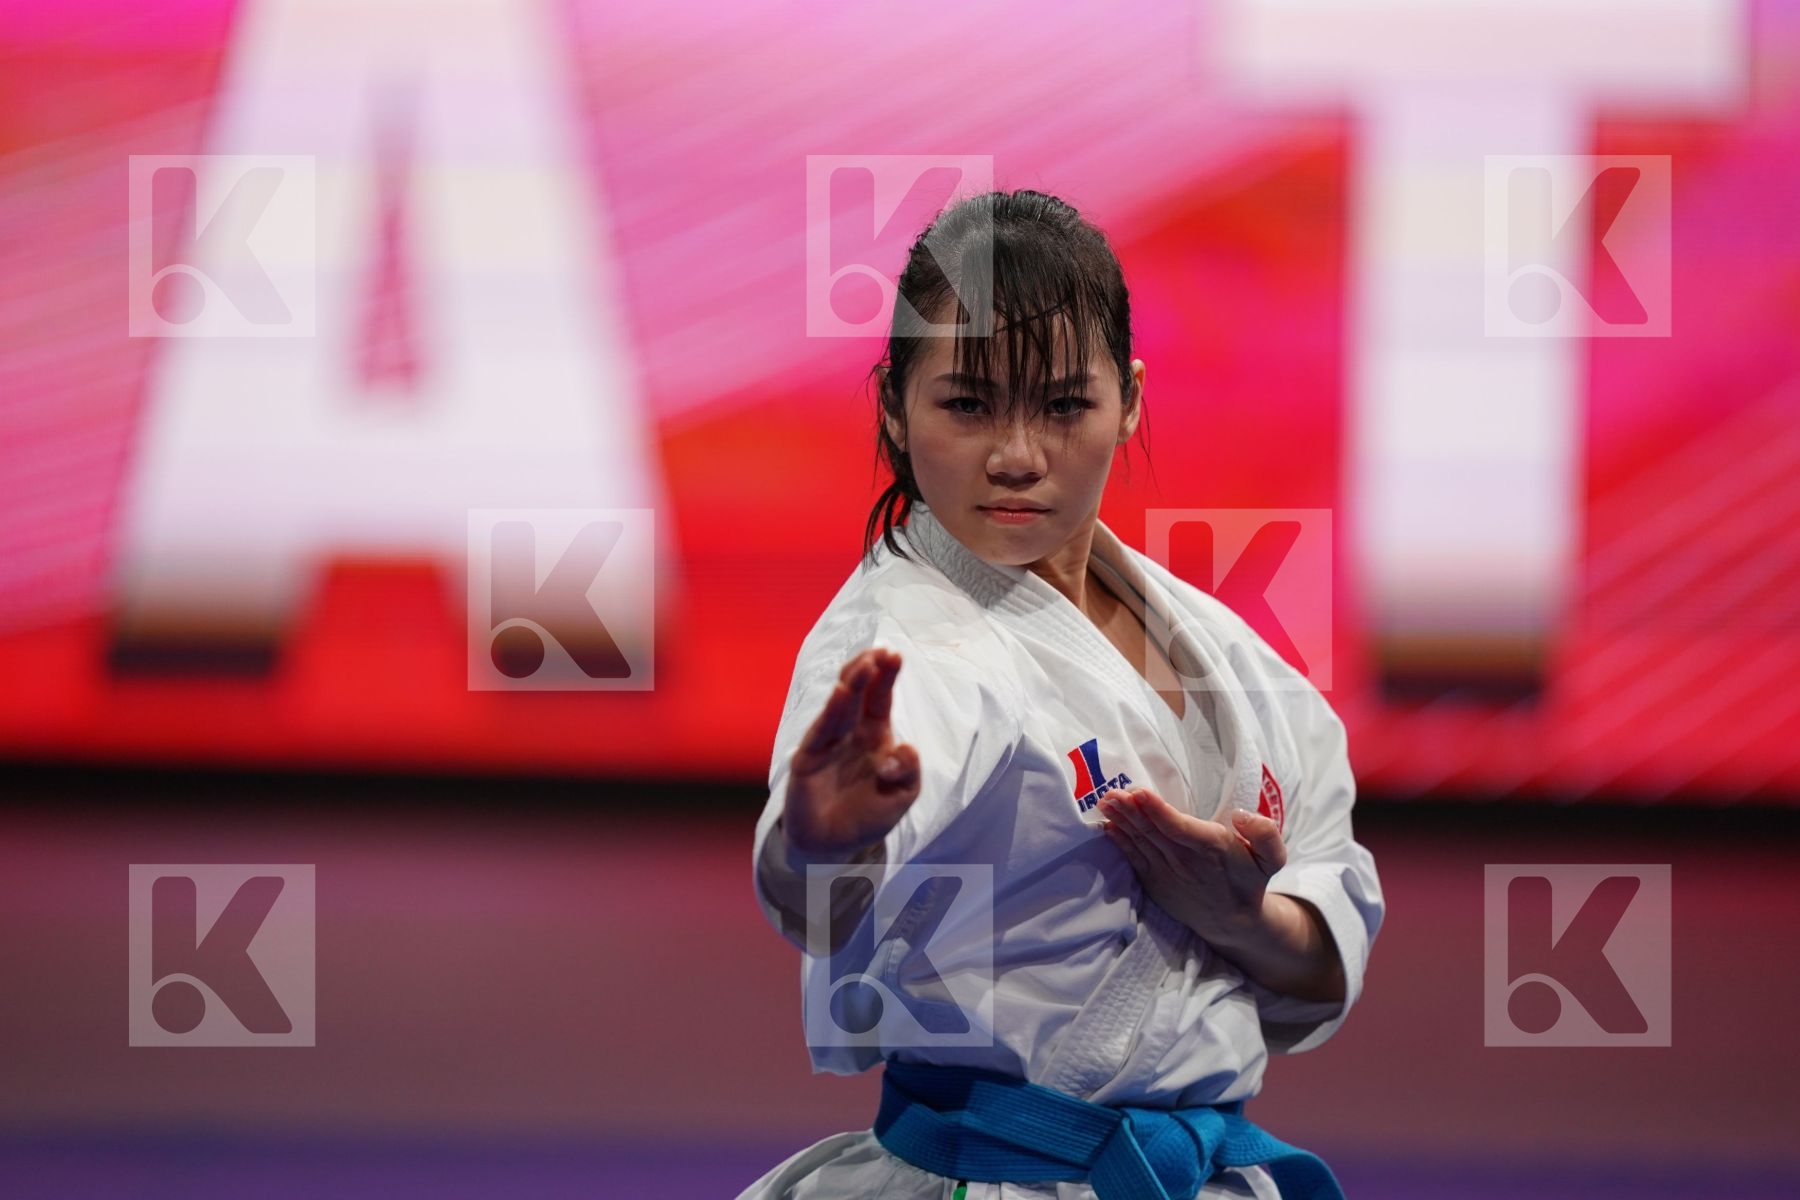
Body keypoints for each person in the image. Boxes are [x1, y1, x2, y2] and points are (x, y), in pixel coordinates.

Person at [739, 189, 1384, 1200]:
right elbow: (821, 893)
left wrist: (1247, 918)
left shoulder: (1231, 658)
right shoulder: (906, 646)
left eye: (1061, 404)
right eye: (968, 403)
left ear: (1128, 399)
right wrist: (824, 840)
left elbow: (1326, 929)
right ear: (894, 407)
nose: (1015, 455)